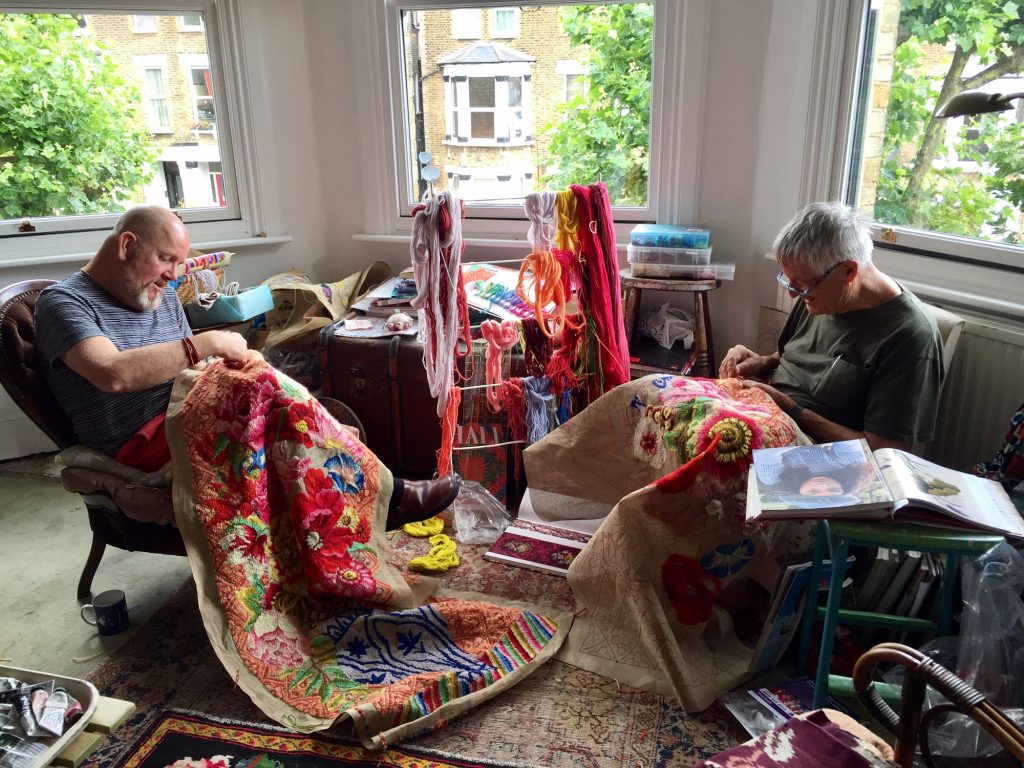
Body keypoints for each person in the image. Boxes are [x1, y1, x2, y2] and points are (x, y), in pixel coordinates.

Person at [34, 205, 456, 529]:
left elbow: (192, 370)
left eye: (178, 263)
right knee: (283, 412)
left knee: (279, 391)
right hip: (141, 438)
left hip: (189, 410)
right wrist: (207, 343)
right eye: (166, 260)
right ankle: (389, 497)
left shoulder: (153, 294)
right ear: (126, 246)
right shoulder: (65, 303)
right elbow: (113, 373)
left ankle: (374, 500)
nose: (174, 276)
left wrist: (236, 368)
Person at [718, 201, 943, 452]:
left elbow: (883, 452)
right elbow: (794, 354)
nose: (794, 295)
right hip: (765, 413)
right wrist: (761, 361)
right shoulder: (821, 294)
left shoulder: (908, 336)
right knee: (669, 404)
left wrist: (789, 407)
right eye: (788, 282)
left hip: (817, 454)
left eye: (802, 285)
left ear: (848, 271)